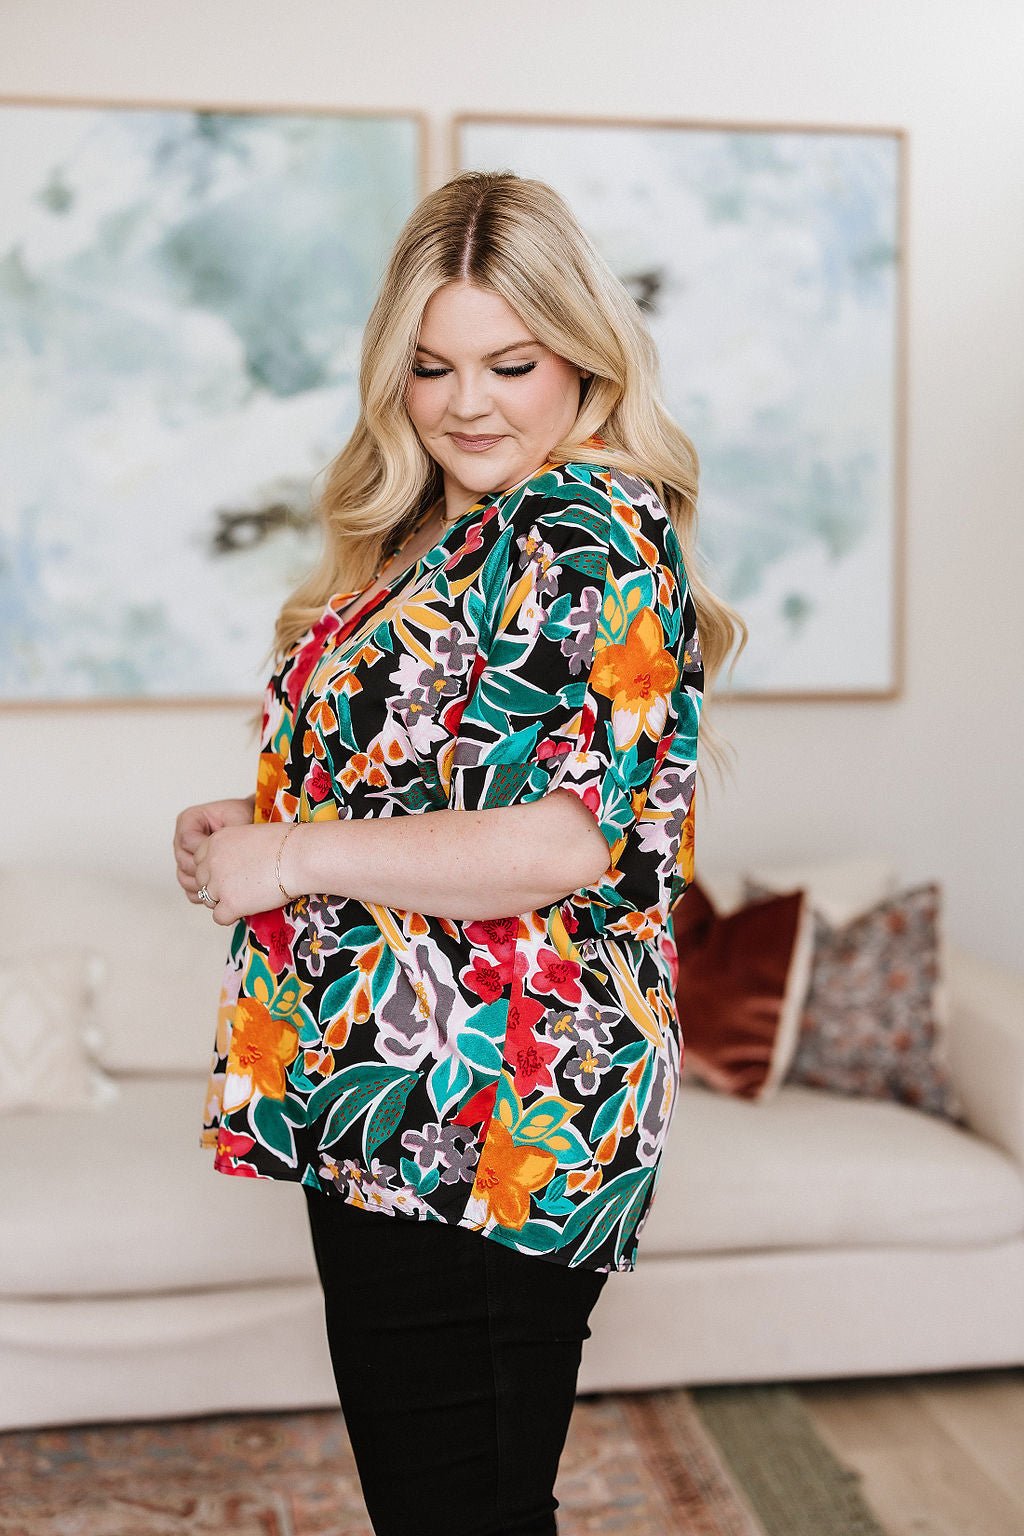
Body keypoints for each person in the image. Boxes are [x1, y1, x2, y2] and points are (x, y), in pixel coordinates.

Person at [174, 169, 746, 1536]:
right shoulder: (438, 530)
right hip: (392, 1091)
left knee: (461, 1511)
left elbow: (567, 838)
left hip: (496, 1104)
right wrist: (260, 817)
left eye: (511, 363)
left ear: (584, 356)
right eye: (432, 367)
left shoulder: (584, 524)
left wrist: (293, 857)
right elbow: (439, 785)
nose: (467, 403)